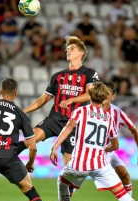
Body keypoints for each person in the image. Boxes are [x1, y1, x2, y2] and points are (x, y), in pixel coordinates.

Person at [49, 82, 138, 201]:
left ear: (90, 96)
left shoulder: (81, 111)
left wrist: (55, 147)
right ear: (103, 98)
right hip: (101, 164)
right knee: (124, 196)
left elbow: (68, 129)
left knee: (62, 181)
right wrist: (100, 149)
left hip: (79, 164)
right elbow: (115, 144)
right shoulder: (108, 117)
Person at [17, 36, 99, 167]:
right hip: (54, 118)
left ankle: (69, 185)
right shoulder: (58, 76)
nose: (68, 51)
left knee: (69, 168)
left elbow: (90, 94)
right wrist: (23, 111)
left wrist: (71, 100)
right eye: (67, 49)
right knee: (30, 140)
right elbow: (43, 99)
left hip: (74, 124)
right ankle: (6, 155)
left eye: (72, 48)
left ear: (81, 53)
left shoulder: (89, 73)